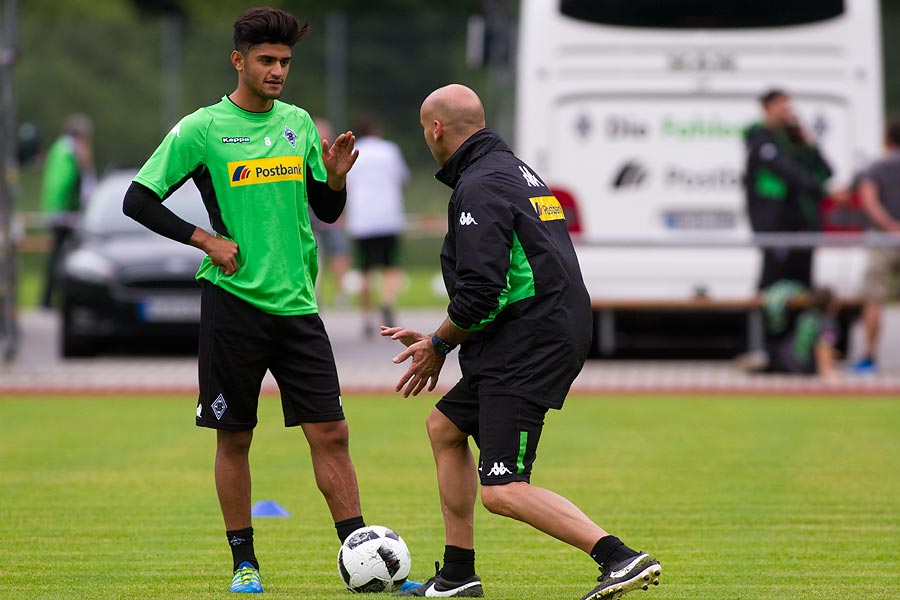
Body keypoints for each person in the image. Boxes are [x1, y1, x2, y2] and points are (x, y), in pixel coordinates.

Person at [122, 8, 374, 594]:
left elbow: (327, 211)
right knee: (234, 435)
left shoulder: (299, 124)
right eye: (266, 60)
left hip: (298, 306)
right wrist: (205, 239)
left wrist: (334, 179)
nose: (278, 71)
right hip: (233, 303)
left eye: (285, 61)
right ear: (239, 60)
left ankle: (361, 555)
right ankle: (244, 563)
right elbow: (138, 199)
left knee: (331, 433)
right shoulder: (202, 128)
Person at [381, 84, 661, 600]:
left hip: (529, 341)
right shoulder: (513, 171)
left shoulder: (480, 185)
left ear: (436, 129)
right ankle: (458, 575)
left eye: (426, 131)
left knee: (504, 489)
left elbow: (484, 292)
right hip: (536, 329)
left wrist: (439, 344)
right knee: (444, 426)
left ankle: (619, 557)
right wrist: (447, 338)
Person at [744, 88, 834, 290]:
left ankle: (801, 321)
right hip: (775, 224)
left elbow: (827, 171)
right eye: (782, 106)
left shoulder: (793, 141)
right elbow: (788, 172)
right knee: (774, 284)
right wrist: (824, 191)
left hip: (802, 224)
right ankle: (768, 321)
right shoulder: (762, 140)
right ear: (767, 108)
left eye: (788, 106)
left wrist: (809, 144)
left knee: (803, 286)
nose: (787, 111)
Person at [344, 113, 410, 336]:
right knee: (391, 266)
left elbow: (346, 184)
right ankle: (387, 299)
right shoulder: (389, 150)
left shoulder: (353, 153)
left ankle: (366, 317)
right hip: (388, 217)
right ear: (376, 130)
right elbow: (403, 178)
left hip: (362, 219)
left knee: (364, 270)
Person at [852, 118, 900, 373]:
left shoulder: (876, 167)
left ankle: (869, 358)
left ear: (887, 139)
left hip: (882, 240)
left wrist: (891, 226)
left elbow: (869, 201)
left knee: (874, 300)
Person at [39, 113, 95, 308]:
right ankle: (71, 299)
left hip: (56, 210)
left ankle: (46, 300)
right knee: (75, 257)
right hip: (69, 214)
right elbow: (74, 182)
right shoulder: (73, 150)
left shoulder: (58, 148)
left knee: (55, 256)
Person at [310, 116, 351, 308]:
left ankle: (340, 293)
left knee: (339, 251)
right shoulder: (304, 155)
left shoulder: (336, 156)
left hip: (330, 214)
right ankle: (315, 292)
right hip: (309, 216)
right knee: (313, 252)